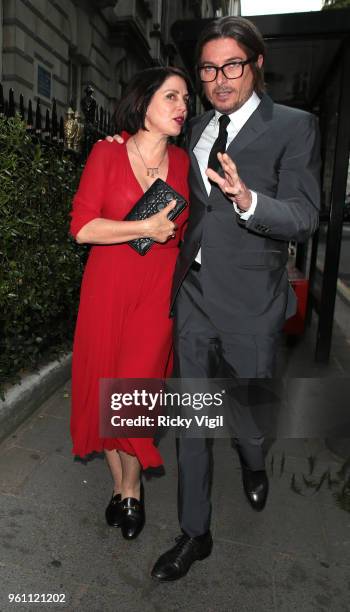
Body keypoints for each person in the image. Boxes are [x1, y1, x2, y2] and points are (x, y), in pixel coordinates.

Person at [110, 16, 321, 580]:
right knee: (192, 423)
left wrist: (250, 200)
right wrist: (122, 143)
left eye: (232, 65)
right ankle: (194, 534)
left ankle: (254, 462)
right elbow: (155, 159)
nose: (220, 78)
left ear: (256, 64)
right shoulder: (196, 125)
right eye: (209, 68)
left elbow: (303, 216)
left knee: (249, 423)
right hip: (194, 295)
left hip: (252, 301)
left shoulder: (294, 127)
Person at [70, 66, 190, 541]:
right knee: (105, 389)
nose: (182, 106)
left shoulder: (183, 163)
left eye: (185, 98)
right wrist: (143, 228)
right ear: (143, 104)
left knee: (133, 393)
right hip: (109, 284)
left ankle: (133, 492)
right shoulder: (107, 153)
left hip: (158, 291)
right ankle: (122, 488)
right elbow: (82, 228)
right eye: (171, 97)